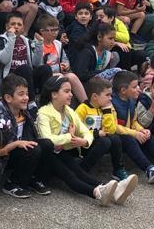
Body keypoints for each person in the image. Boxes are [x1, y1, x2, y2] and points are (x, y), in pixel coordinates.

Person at [35, 74, 134, 206]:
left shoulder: (68, 111)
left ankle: (113, 191)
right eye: (66, 91)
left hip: (61, 151)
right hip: (47, 156)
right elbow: (48, 139)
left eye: (71, 91)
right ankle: (97, 193)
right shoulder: (44, 112)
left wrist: (85, 141)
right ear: (54, 94)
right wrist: (70, 136)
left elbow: (86, 132)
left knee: (79, 172)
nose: (71, 94)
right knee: (70, 176)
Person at [0, 74, 52, 199]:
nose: (26, 98)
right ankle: (12, 183)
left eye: (27, 94)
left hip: (17, 152)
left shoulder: (22, 111)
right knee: (33, 149)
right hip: (2, 158)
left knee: (47, 144)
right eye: (21, 94)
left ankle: (31, 179)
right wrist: (17, 144)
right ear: (8, 98)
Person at [73, 76, 128, 182]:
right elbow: (76, 131)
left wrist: (107, 112)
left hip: (98, 141)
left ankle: (118, 169)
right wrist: (96, 134)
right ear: (95, 96)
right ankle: (82, 171)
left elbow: (111, 130)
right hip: (83, 144)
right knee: (105, 141)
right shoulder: (82, 109)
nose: (110, 98)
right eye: (107, 95)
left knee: (115, 139)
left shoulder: (105, 108)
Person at [0, 11, 51, 96]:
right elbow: (4, 59)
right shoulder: (1, 39)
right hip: (10, 78)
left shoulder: (26, 41)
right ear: (7, 27)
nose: (16, 27)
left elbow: (36, 63)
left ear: (23, 28)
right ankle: (31, 100)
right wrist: (11, 37)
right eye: (13, 24)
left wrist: (39, 44)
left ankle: (45, 99)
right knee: (25, 68)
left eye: (19, 24)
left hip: (27, 75)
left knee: (46, 68)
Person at [35, 15, 86, 103]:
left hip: (59, 72)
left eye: (56, 30)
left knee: (72, 76)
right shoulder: (37, 45)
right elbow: (38, 66)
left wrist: (66, 65)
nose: (55, 33)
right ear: (42, 31)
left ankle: (86, 103)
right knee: (60, 77)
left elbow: (64, 59)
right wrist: (58, 67)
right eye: (52, 30)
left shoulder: (58, 43)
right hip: (44, 77)